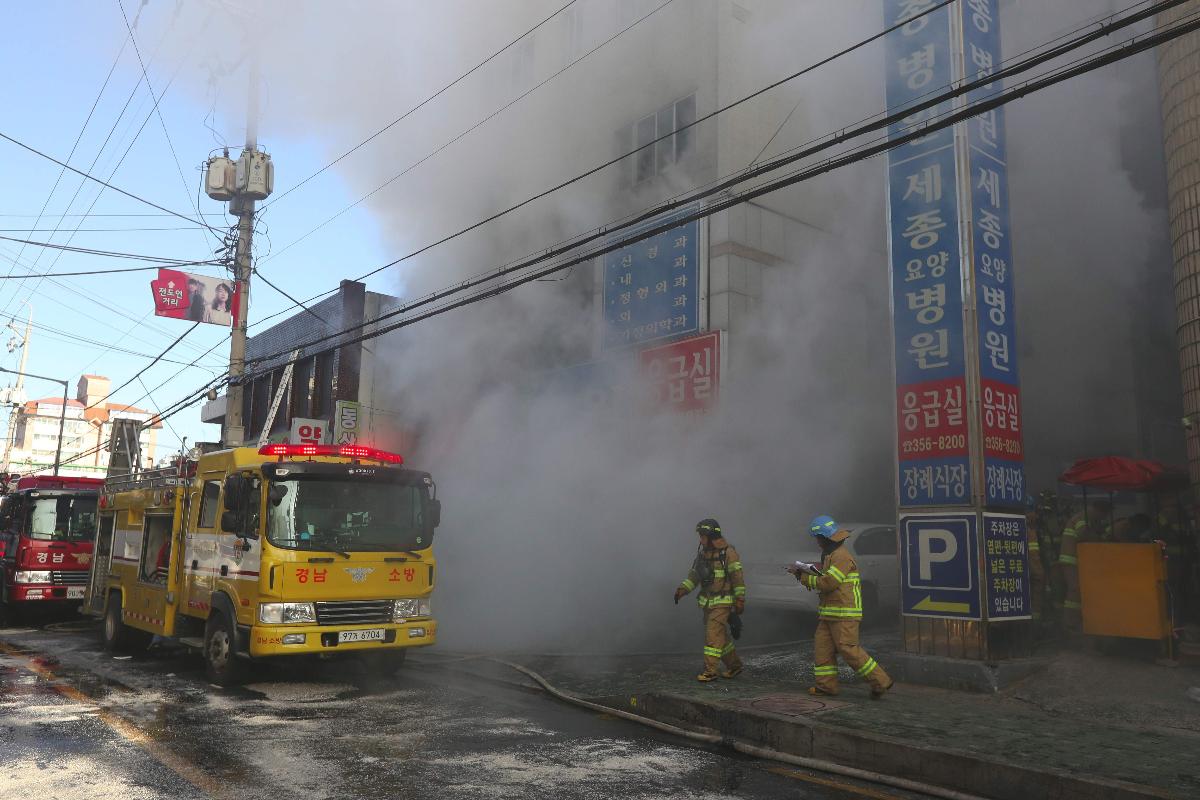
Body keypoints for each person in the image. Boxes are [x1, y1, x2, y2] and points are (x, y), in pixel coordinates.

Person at [793, 515, 893, 699]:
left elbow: (829, 582)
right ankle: (826, 687)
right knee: (822, 649)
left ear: (824, 537)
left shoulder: (841, 556)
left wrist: (804, 577)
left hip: (844, 614)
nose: (816, 542)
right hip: (829, 613)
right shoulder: (831, 555)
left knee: (849, 650)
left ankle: (881, 682)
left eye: (817, 538)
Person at [674, 518, 745, 682]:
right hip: (708, 602)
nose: (700, 540)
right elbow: (695, 576)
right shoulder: (703, 554)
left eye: (702, 536)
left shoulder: (728, 553)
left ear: (711, 535)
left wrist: (740, 599)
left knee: (712, 635)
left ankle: (710, 670)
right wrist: (682, 590)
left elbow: (737, 578)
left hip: (723, 602)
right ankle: (735, 666)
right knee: (722, 638)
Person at [1056, 499, 1109, 632]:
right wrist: (1100, 539)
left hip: (1079, 561)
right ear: (1097, 510)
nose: (1104, 517)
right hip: (1070, 560)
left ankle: (1075, 621)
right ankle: (1069, 623)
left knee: (1079, 590)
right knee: (1074, 589)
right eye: (1103, 514)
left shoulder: (1089, 519)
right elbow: (1083, 534)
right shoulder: (1082, 518)